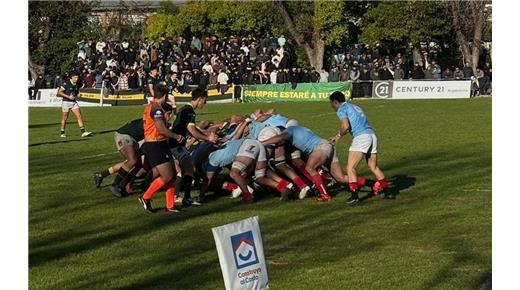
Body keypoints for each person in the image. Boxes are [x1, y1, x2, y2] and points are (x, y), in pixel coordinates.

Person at [93, 103, 174, 198]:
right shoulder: (157, 123)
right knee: (132, 160)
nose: (171, 116)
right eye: (169, 114)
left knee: (137, 163)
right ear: (163, 113)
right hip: (124, 135)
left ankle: (106, 177)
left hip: (135, 139)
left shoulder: (159, 122)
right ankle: (116, 185)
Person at [328, 91, 391, 204]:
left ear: (335, 102)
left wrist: (340, 135)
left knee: (350, 168)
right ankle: (388, 191)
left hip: (361, 137)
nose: (331, 106)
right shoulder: (355, 106)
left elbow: (345, 126)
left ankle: (354, 195)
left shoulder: (342, 109)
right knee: (373, 167)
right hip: (372, 135)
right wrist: (337, 135)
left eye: (331, 103)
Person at [138, 84, 185, 213]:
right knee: (167, 176)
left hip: (159, 143)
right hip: (155, 144)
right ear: (164, 96)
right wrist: (176, 136)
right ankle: (145, 197)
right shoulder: (156, 109)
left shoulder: (153, 107)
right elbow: (161, 129)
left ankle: (170, 205)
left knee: (172, 175)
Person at [168, 88, 217, 206]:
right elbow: (192, 131)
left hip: (175, 143)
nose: (204, 104)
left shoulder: (184, 108)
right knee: (188, 169)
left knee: (187, 169)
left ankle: (183, 197)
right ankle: (180, 197)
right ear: (199, 99)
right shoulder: (190, 111)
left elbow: (192, 130)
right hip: (175, 144)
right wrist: (208, 138)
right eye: (204, 101)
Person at [57, 71, 92, 138]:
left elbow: (76, 91)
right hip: (66, 102)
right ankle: (62, 132)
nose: (77, 78)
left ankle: (83, 132)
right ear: (72, 77)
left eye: (77, 77)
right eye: (75, 77)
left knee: (79, 115)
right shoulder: (66, 83)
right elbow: (59, 92)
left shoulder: (77, 83)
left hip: (73, 102)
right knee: (65, 118)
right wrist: (68, 97)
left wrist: (78, 94)